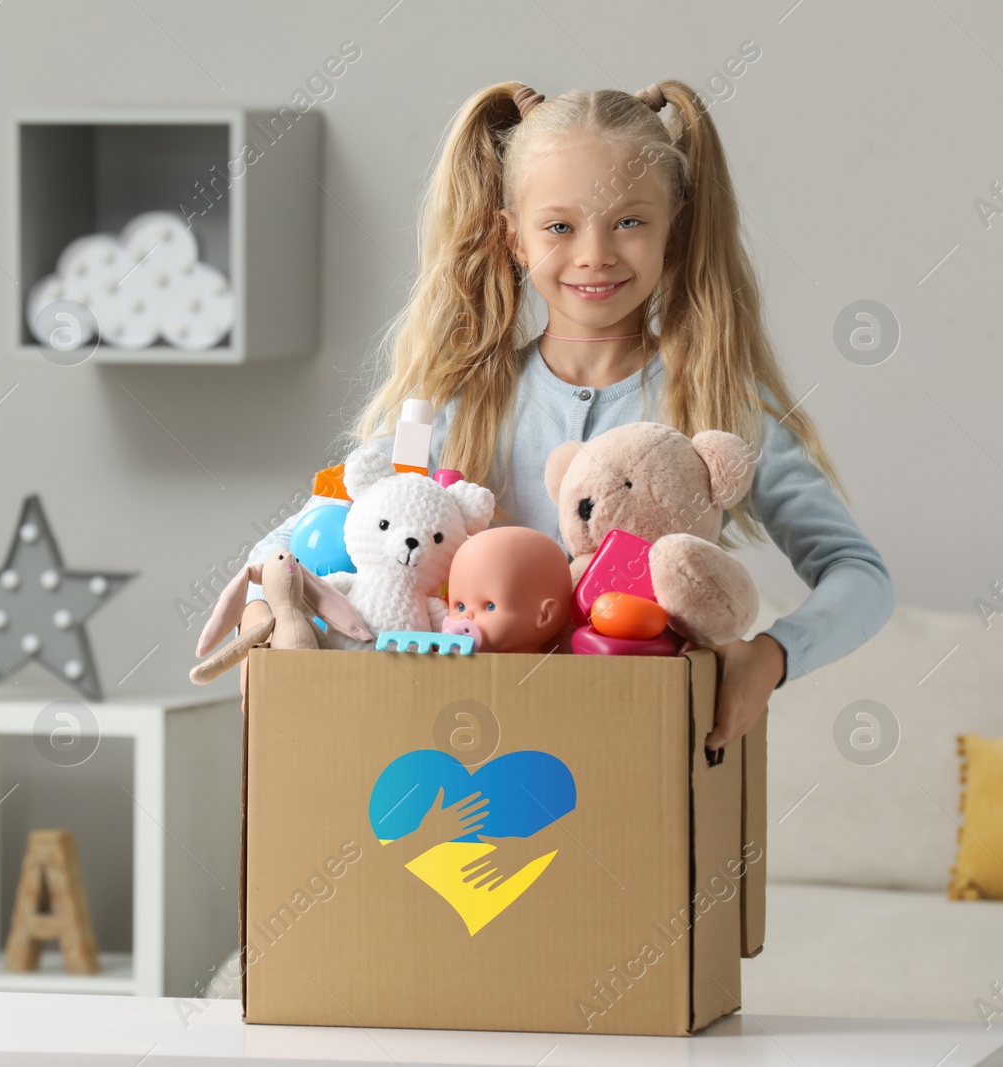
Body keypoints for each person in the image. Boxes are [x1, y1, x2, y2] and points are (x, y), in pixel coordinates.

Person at [232, 80, 893, 752]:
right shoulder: (445, 405)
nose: (595, 253)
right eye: (560, 226)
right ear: (513, 237)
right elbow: (289, 545)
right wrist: (269, 609)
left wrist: (774, 655)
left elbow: (859, 574)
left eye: (630, 221)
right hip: (464, 746)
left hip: (638, 755)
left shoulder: (722, 406)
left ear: (677, 226)